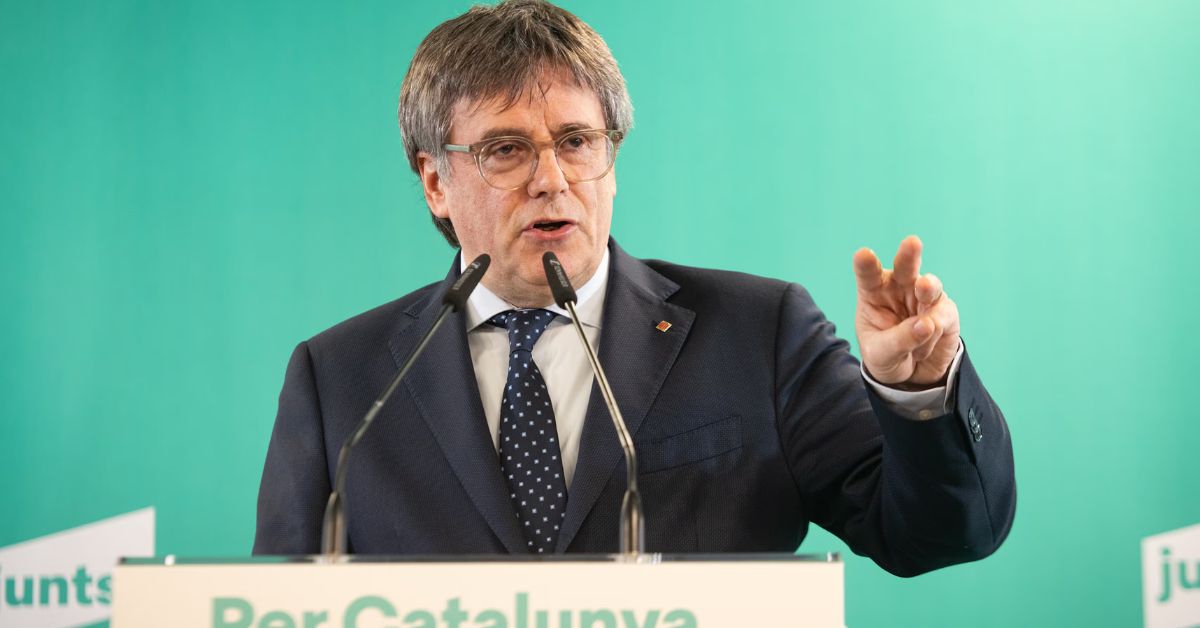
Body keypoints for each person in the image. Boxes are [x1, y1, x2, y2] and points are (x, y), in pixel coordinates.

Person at [253, 0, 1015, 576]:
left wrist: (917, 394)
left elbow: (941, 535)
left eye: (577, 142)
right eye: (506, 150)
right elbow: (281, 605)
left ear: (610, 159)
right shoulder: (341, 381)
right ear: (435, 182)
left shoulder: (759, 333)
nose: (551, 180)